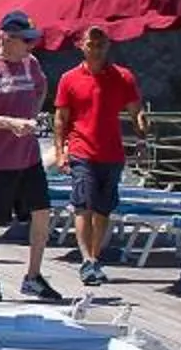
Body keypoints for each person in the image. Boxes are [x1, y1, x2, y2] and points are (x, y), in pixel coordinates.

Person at [0, 10, 63, 303]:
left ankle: (33, 276)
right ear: (5, 38)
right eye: (25, 40)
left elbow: (41, 88)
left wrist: (29, 116)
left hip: (28, 157)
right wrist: (9, 123)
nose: (30, 46)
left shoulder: (31, 64)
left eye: (33, 40)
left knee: (42, 212)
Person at [54, 25, 149, 283]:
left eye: (100, 45)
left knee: (103, 210)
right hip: (81, 150)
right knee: (83, 205)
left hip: (112, 153)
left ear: (107, 46)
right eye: (91, 45)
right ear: (82, 46)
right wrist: (61, 152)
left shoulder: (122, 77)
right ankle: (87, 259)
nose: (95, 50)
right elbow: (61, 118)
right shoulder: (69, 79)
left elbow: (135, 111)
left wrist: (142, 131)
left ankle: (94, 258)